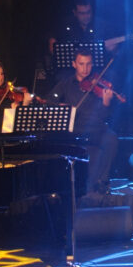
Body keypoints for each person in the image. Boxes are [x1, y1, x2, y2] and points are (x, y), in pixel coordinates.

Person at [50, 48, 119, 198]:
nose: (85, 68)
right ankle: (87, 188)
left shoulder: (98, 84)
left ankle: (103, 180)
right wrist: (60, 106)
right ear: (74, 64)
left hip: (96, 128)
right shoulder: (65, 84)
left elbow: (105, 116)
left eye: (88, 64)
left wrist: (106, 103)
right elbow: (51, 100)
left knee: (111, 138)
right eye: (81, 64)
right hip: (75, 129)